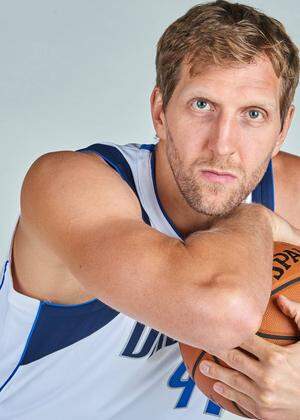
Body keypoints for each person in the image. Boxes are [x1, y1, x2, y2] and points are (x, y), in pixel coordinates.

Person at [0, 1, 299, 419]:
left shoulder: (291, 190)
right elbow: (220, 313)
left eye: (253, 114)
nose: (223, 145)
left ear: (282, 129)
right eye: (202, 106)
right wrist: (256, 219)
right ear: (160, 112)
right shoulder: (69, 185)